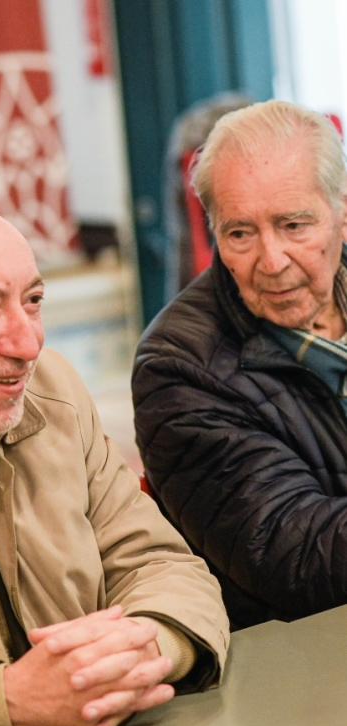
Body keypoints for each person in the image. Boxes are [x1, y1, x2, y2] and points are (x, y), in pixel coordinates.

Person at [0, 198, 228, 726]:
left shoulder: (51, 397)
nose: (28, 344)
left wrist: (143, 648)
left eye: (33, 302)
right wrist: (6, 701)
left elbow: (160, 564)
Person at [132, 99, 347, 631]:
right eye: (240, 234)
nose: (271, 261)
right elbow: (297, 557)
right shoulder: (178, 368)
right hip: (299, 651)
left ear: (341, 213)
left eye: (293, 225)